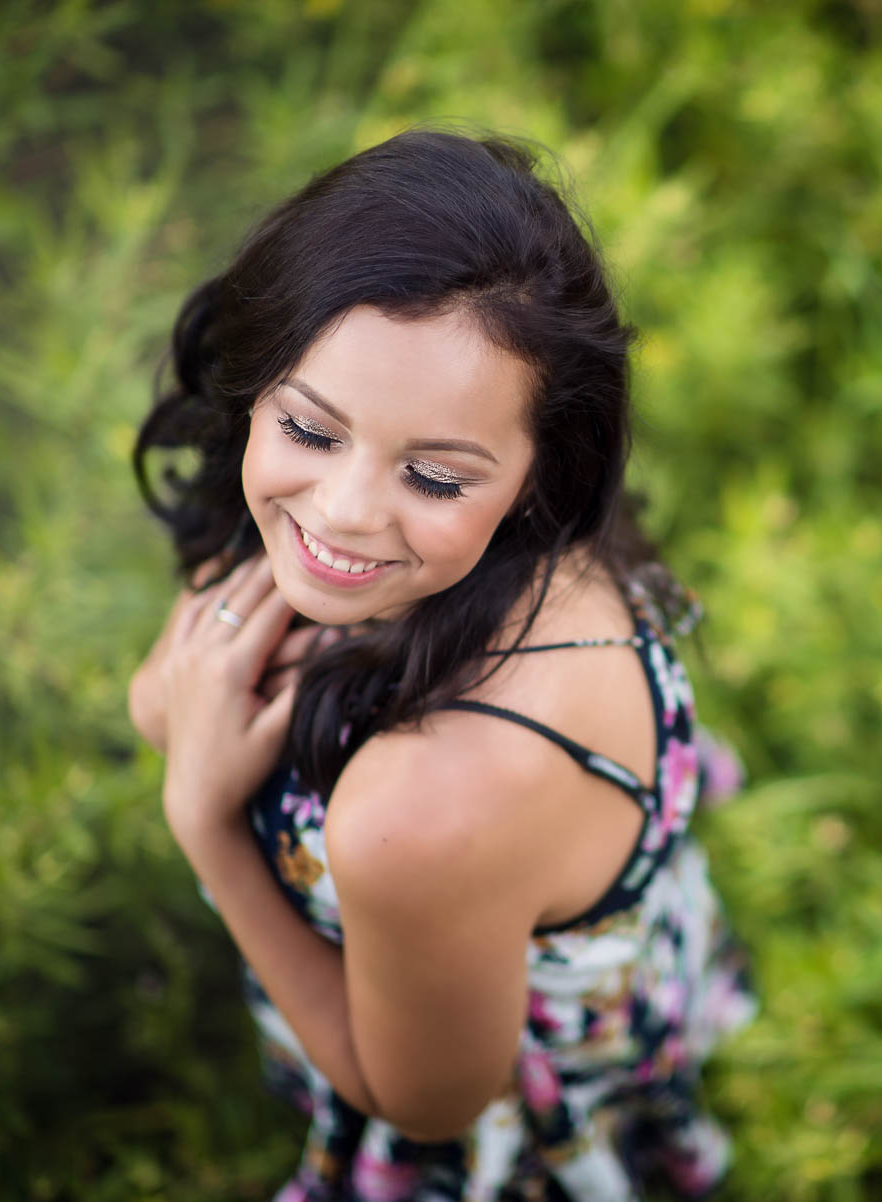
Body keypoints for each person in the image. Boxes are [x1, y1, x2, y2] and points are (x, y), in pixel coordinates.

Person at [125, 126, 757, 1201]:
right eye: (311, 430)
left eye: (432, 473)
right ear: (257, 377)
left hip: (497, 1100)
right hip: (552, 939)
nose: (346, 511)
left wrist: (207, 822)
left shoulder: (421, 806)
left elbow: (421, 1098)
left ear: (540, 463)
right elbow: (164, 692)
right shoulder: (531, 540)